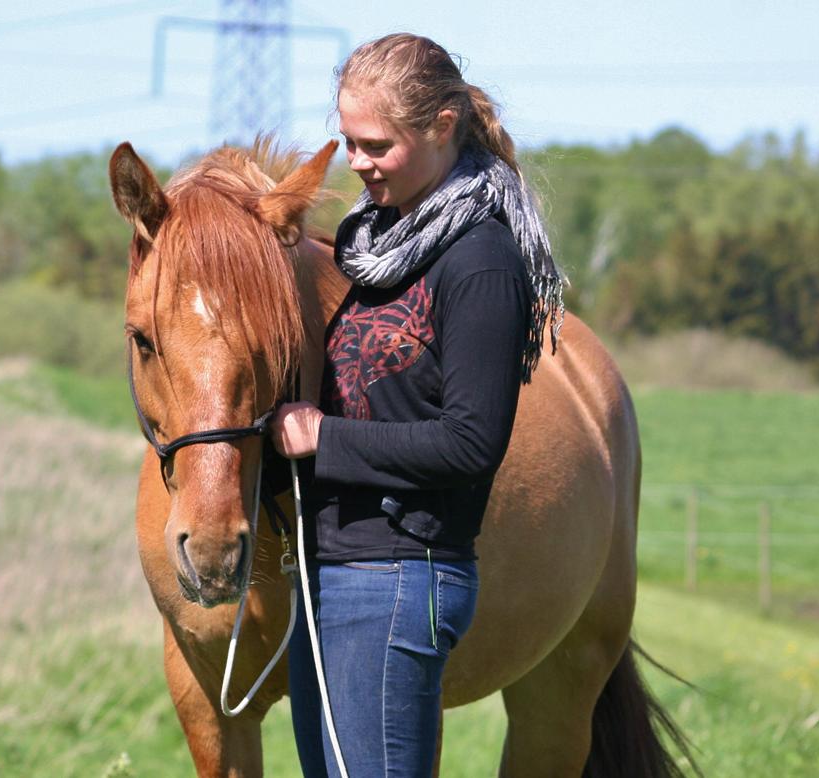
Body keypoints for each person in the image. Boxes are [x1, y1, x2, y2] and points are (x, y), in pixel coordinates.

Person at [270, 32, 565, 777]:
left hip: (400, 578)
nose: (357, 163)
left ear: (440, 128)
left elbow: (470, 445)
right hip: (330, 574)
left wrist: (320, 438)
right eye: (348, 142)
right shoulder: (370, 247)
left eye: (375, 145)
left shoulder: (481, 260)